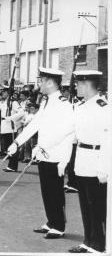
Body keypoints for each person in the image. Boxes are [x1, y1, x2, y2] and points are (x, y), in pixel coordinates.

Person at [7, 67, 74, 239]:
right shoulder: (46, 101)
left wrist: (59, 157)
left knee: (55, 191)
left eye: (42, 81)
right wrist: (17, 142)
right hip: (43, 153)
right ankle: (51, 221)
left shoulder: (63, 104)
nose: (39, 84)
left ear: (50, 82)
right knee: (46, 190)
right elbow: (35, 124)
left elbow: (67, 132)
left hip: (55, 154)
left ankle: (59, 226)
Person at [68, 71, 108, 253]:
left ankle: (99, 245)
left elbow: (108, 140)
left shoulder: (104, 108)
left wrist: (104, 168)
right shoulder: (81, 106)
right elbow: (75, 135)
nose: (76, 87)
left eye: (77, 84)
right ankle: (88, 241)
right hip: (83, 159)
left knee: (97, 206)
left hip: (96, 160)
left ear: (85, 85)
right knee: (85, 204)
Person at [0, 84, 24, 172]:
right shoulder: (4, 102)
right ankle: (10, 165)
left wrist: (10, 118)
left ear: (8, 93)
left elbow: (21, 112)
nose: (2, 93)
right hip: (5, 128)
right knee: (7, 148)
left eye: (4, 92)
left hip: (10, 128)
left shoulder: (13, 102)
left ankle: (13, 166)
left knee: (12, 147)